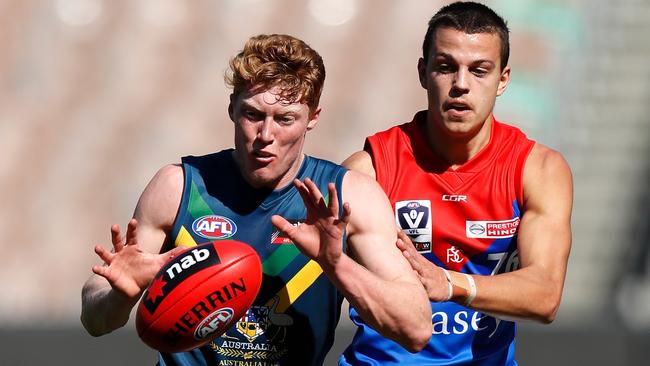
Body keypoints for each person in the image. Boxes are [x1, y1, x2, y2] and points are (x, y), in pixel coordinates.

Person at [80, 34, 431, 366]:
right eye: (253, 115)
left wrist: (337, 264)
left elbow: (415, 329)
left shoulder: (347, 197)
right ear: (232, 108)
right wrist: (120, 295)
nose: (266, 136)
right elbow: (95, 321)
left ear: (313, 118)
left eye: (285, 119)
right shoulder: (179, 187)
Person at [341, 2, 573, 365]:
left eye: (479, 70)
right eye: (446, 67)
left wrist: (449, 284)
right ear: (423, 71)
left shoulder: (538, 169)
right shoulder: (370, 170)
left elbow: (545, 295)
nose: (461, 85)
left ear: (504, 79)